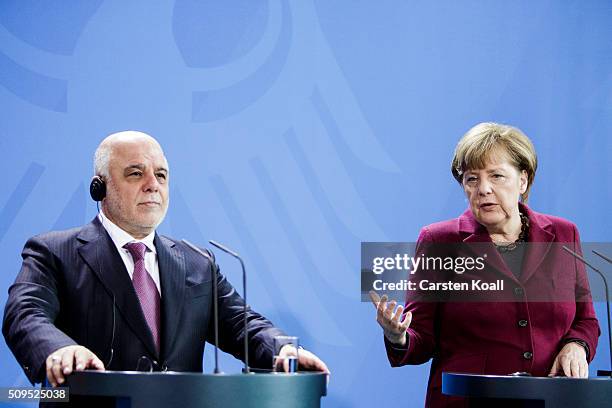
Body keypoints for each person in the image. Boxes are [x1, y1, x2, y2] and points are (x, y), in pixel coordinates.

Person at [3, 131, 329, 391]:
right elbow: (25, 314)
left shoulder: (197, 262)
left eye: (161, 175)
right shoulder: (55, 252)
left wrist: (281, 349)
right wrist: (58, 349)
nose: (153, 185)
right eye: (135, 173)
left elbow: (242, 325)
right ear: (99, 187)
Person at [370, 122, 600, 407]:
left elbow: (586, 320)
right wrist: (398, 336)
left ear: (523, 181)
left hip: (551, 398)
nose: (484, 189)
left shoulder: (564, 234)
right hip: (469, 401)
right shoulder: (439, 241)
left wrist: (577, 345)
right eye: (472, 179)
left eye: (497, 176)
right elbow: (422, 339)